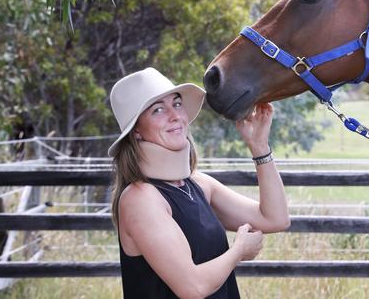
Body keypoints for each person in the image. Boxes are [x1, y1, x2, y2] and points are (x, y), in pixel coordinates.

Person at [108, 67, 290, 298]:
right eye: (158, 110)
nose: (175, 116)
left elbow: (275, 219)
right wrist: (238, 251)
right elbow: (192, 288)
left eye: (176, 104)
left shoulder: (197, 184)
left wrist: (260, 147)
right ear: (136, 132)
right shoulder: (139, 198)